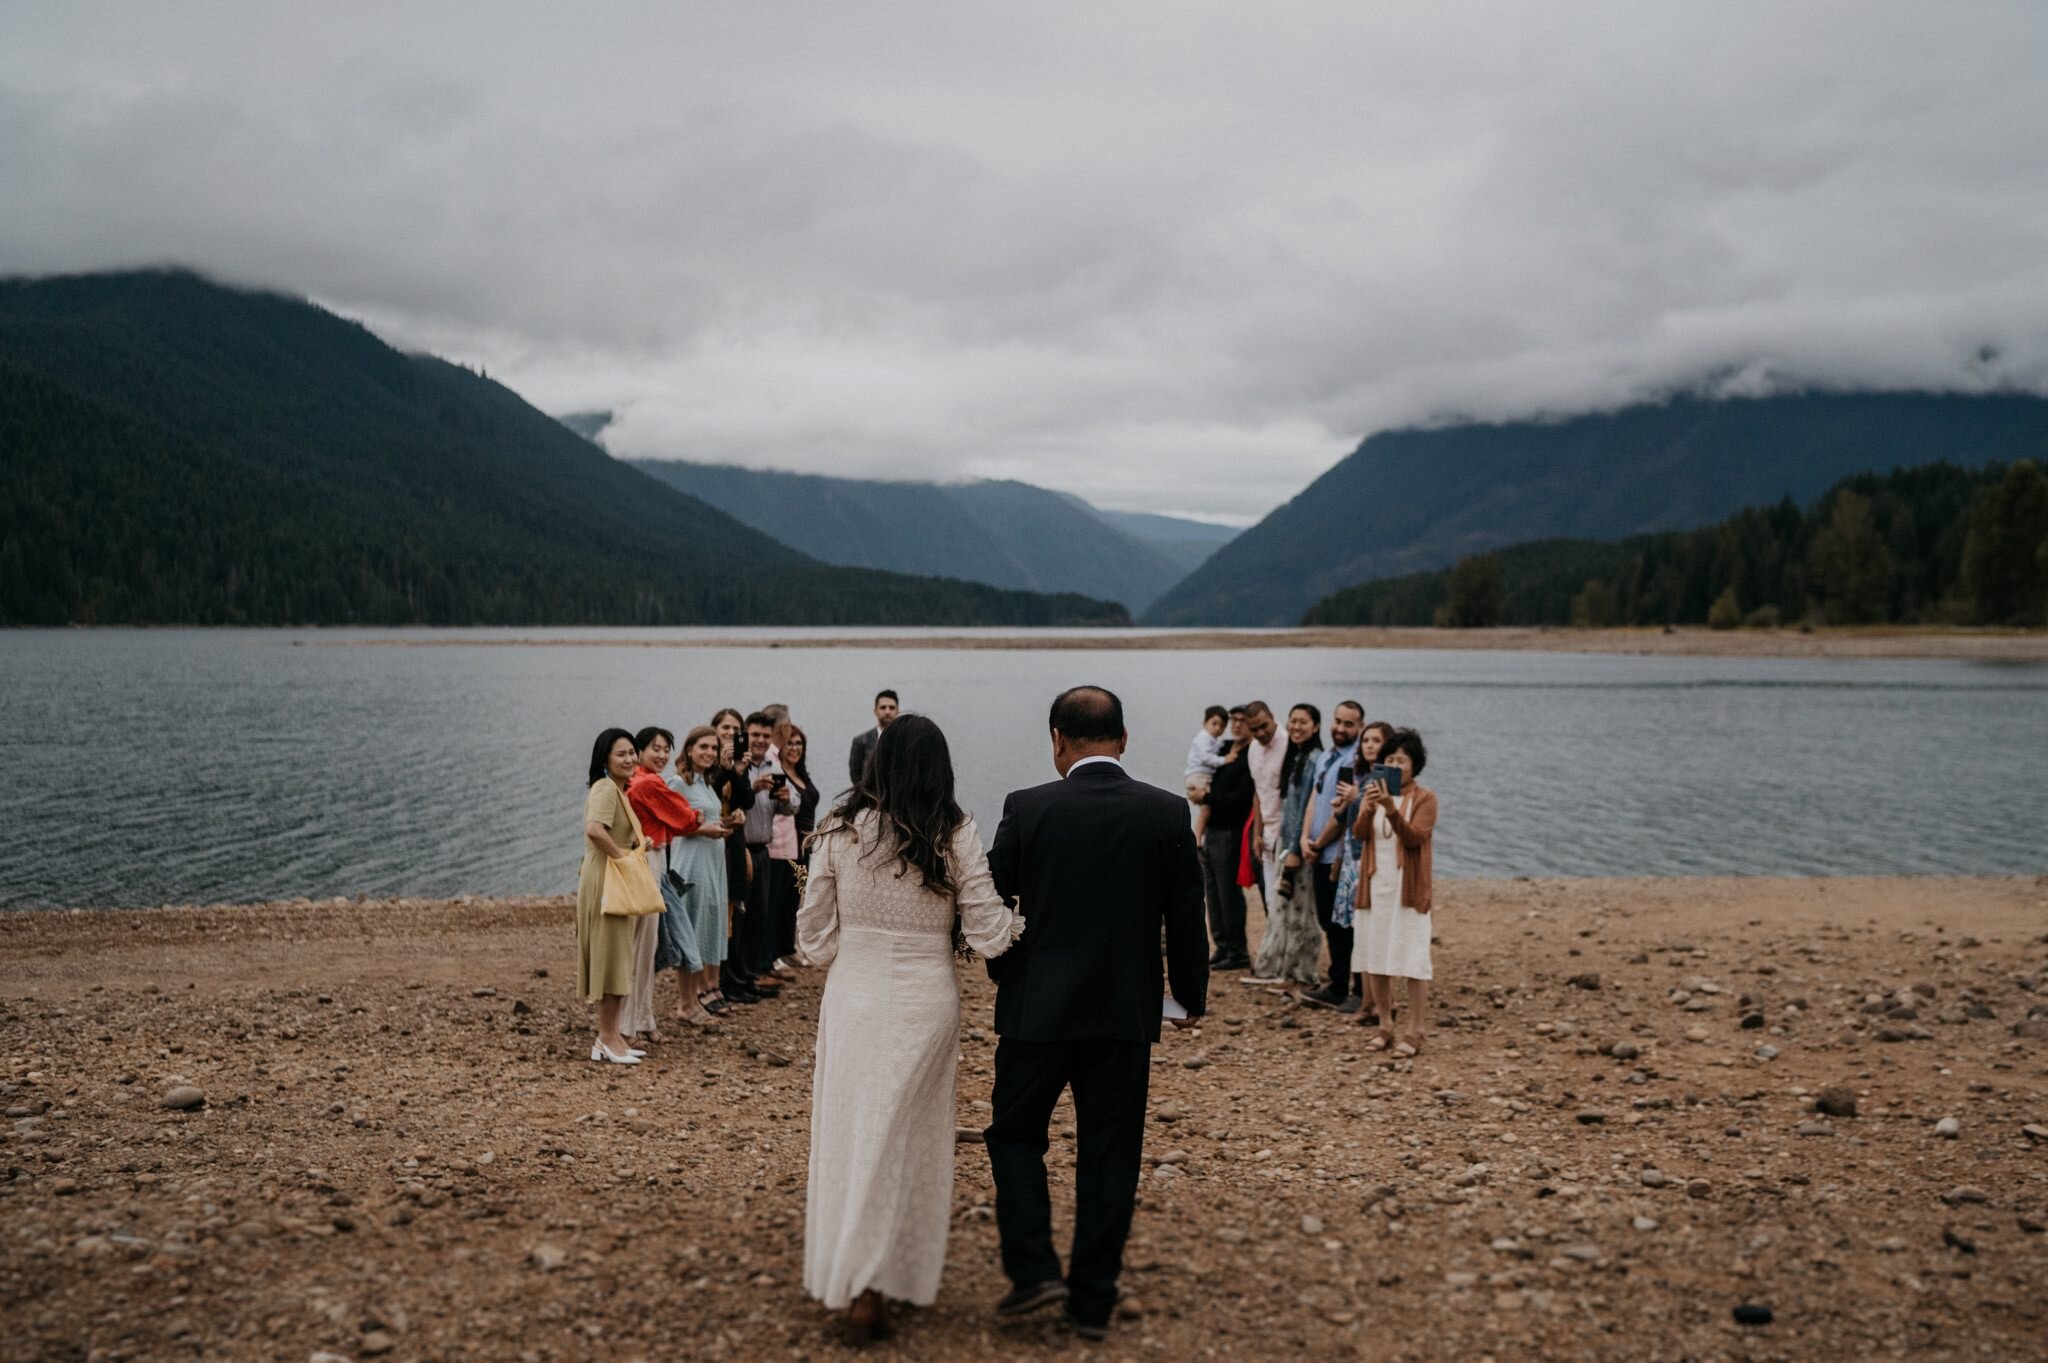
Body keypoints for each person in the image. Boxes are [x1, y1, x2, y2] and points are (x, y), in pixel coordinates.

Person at [983, 686, 1208, 1343]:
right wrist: (1187, 996)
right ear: (1125, 739)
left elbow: (992, 905)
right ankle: (1091, 1302)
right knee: (1111, 1153)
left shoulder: (1027, 808)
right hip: (1123, 1013)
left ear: (1057, 738)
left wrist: (1006, 973)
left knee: (1016, 1135)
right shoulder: (1167, 813)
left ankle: (1033, 1272)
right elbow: (1186, 918)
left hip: (1034, 1012)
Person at [798, 715, 1023, 1341]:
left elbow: (813, 941)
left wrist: (861, 941)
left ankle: (860, 1279)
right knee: (907, 1135)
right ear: (940, 768)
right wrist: (1019, 922)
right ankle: (887, 1274)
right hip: (927, 998)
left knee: (855, 1130)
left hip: (856, 994)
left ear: (878, 765)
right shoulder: (955, 833)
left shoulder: (840, 832)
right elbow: (987, 933)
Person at [1355, 728, 1438, 1058]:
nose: (1394, 764)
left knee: (1413, 959)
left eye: (1400, 760)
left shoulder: (1425, 799)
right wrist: (1366, 808)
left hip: (1409, 889)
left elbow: (1415, 837)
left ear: (1414, 765)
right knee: (1377, 955)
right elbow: (1360, 834)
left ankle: (1415, 1030)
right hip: (1377, 886)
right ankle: (1385, 1025)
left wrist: (1389, 808)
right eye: (1389, 759)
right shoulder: (1373, 792)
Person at [627, 726, 710, 1032]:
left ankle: (639, 1019)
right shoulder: (648, 783)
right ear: (640, 752)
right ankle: (639, 1020)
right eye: (655, 749)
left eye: (665, 749)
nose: (661, 755)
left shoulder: (634, 781)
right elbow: (687, 818)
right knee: (646, 946)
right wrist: (693, 817)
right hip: (651, 859)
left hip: (646, 855)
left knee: (643, 945)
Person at [578, 728, 646, 1065]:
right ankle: (606, 1037)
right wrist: (623, 859)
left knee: (619, 955)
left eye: (633, 752)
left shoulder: (618, 790)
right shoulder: (605, 788)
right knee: (611, 956)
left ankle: (612, 1035)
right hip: (607, 879)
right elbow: (594, 830)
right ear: (605, 758)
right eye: (621, 754)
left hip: (610, 876)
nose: (630, 759)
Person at [1245, 704, 1324, 989]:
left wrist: (1294, 846)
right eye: (1293, 721)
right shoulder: (1287, 753)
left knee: (1297, 908)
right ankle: (1280, 966)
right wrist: (1258, 832)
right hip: (1276, 838)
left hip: (1293, 841)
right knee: (1277, 903)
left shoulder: (1307, 753)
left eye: (1303, 722)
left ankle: (1297, 971)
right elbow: (1263, 793)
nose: (1260, 733)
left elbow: (1306, 805)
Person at [669, 725, 738, 1023]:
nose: (710, 753)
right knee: (692, 927)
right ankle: (688, 1001)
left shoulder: (704, 783)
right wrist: (702, 830)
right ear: (689, 749)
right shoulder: (678, 783)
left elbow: (703, 820)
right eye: (704, 747)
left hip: (713, 861)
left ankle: (697, 996)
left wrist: (726, 821)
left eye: (713, 748)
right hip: (692, 862)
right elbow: (669, 823)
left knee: (709, 922)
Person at [1299, 700, 1364, 1010]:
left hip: (1337, 857)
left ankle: (1347, 987)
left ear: (1360, 728)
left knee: (1342, 925)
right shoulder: (1327, 755)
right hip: (1317, 851)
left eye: (1348, 724)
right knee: (1327, 920)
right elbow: (1315, 796)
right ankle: (1338, 982)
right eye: (1337, 721)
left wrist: (1319, 842)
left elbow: (1343, 812)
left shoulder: (1355, 762)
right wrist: (1304, 837)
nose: (1340, 728)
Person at [1330, 721, 1394, 1020]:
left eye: (1376, 740)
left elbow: (1384, 822)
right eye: (1365, 740)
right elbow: (1350, 827)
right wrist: (1345, 804)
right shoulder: (1363, 777)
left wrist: (1357, 799)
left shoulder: (1383, 781)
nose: (1369, 745)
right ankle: (1364, 996)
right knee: (1356, 930)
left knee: (1369, 930)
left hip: (1370, 861)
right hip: (1352, 860)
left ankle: (1371, 998)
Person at [738, 712, 795, 998]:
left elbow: (792, 804)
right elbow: (730, 798)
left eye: (764, 735)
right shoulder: (740, 765)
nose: (760, 740)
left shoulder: (773, 764)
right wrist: (751, 788)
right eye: (754, 735)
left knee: (759, 916)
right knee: (741, 917)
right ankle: (738, 980)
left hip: (763, 849)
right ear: (745, 735)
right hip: (740, 849)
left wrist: (786, 800)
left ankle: (751, 976)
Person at [1195, 726, 1256, 971]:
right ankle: (1222, 945)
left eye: (1244, 721)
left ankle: (1237, 950)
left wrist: (1207, 798)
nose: (1238, 725)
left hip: (1231, 832)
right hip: (1212, 829)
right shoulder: (1224, 747)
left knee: (1228, 892)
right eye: (1235, 720)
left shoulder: (1250, 755)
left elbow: (1242, 798)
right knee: (1213, 892)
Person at [772, 722, 822, 971]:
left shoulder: (802, 774)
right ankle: (773, 953)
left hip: (805, 845)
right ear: (781, 746)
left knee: (795, 898)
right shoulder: (778, 773)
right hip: (785, 844)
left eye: (799, 743)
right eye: (790, 743)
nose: (794, 748)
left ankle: (788, 948)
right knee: (779, 899)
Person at [1242, 701, 1285, 902]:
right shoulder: (1253, 749)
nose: (1260, 733)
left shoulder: (1287, 743)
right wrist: (1257, 833)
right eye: (1253, 729)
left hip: (1284, 832)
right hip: (1265, 832)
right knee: (1269, 898)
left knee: (1284, 899)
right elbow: (1258, 793)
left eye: (1263, 726)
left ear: (1272, 716)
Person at [1182, 704, 1228, 838]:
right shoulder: (1204, 738)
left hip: (1200, 775)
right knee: (1206, 809)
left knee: (1207, 809)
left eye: (1222, 726)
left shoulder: (1214, 740)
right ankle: (1197, 839)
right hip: (1198, 775)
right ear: (1205, 723)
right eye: (1214, 723)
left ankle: (1200, 836)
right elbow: (1205, 757)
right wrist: (1224, 760)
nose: (1218, 728)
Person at [847, 689, 900, 787]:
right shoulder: (860, 742)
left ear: (898, 711)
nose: (887, 711)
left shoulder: (905, 740)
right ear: (875, 711)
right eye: (883, 707)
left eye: (892, 708)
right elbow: (856, 778)